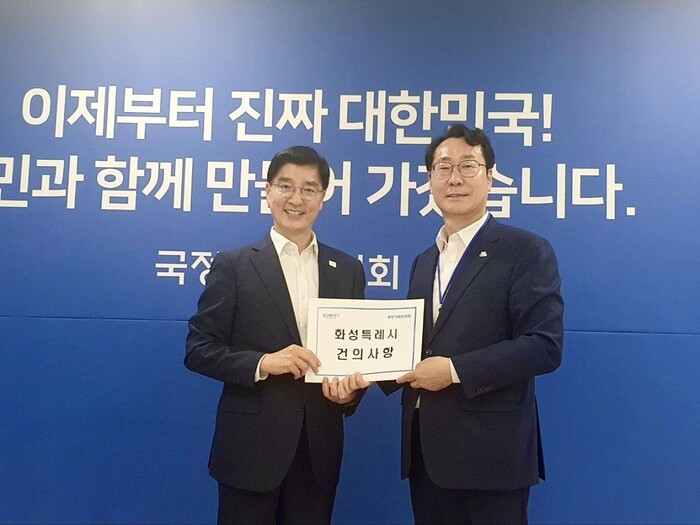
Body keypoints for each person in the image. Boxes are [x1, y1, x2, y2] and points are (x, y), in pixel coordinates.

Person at [381, 124, 564, 524]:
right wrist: (359, 374)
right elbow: (412, 348)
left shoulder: (525, 250)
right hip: (427, 457)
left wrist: (453, 371)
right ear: (430, 179)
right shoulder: (424, 261)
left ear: (490, 176)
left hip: (492, 459)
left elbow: (544, 345)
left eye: (468, 166)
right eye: (443, 167)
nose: (455, 178)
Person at [185, 146, 368, 525]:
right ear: (268, 191)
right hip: (249, 451)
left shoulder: (348, 269)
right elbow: (199, 349)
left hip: (318, 452)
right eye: (286, 186)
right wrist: (263, 363)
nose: (296, 199)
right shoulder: (234, 265)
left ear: (322, 198)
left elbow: (355, 353)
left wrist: (349, 394)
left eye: (309, 189)